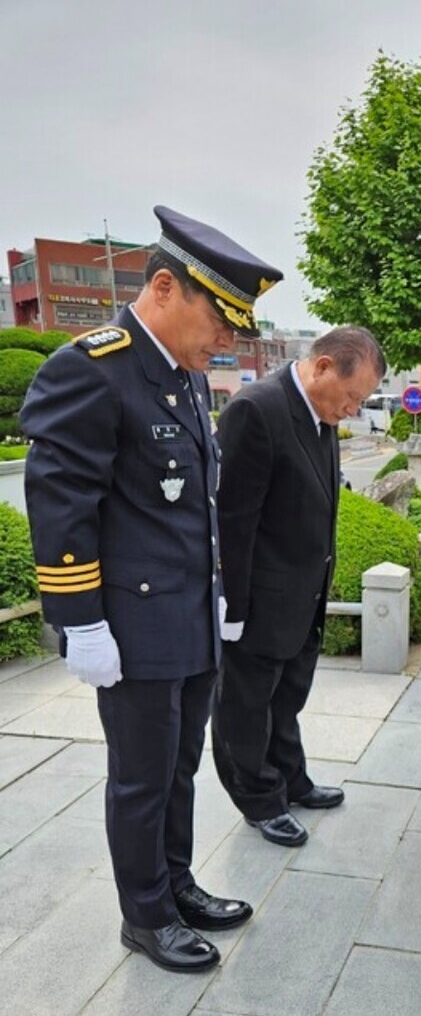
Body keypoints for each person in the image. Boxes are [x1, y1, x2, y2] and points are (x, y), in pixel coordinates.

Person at [20, 205, 283, 973]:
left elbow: (193, 508)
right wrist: (80, 622)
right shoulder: (93, 366)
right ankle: (145, 914)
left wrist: (222, 600)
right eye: (221, 319)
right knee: (140, 777)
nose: (229, 339)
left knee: (178, 766)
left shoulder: (184, 377)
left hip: (189, 620)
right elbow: (60, 500)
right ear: (165, 287)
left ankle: (175, 884)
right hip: (132, 629)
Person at [212, 326, 386, 847]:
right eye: (354, 397)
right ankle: (258, 799)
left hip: (304, 594)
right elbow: (234, 521)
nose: (354, 409)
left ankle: (291, 780)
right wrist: (233, 606)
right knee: (246, 707)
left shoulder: (322, 417)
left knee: (286, 699)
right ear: (325, 367)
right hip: (259, 598)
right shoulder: (257, 410)